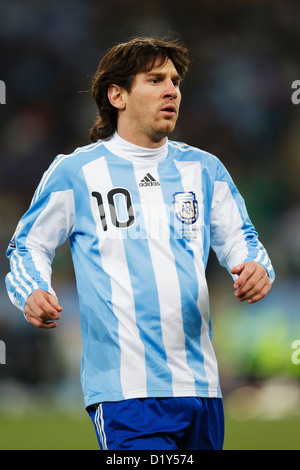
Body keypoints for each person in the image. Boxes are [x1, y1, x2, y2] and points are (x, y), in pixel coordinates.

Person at [6, 37, 275, 450]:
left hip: (201, 387)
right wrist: (33, 290)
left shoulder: (204, 169)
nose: (172, 90)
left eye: (175, 81)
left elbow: (243, 240)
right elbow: (28, 248)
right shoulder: (76, 172)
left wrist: (256, 267)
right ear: (117, 95)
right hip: (125, 392)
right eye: (155, 79)